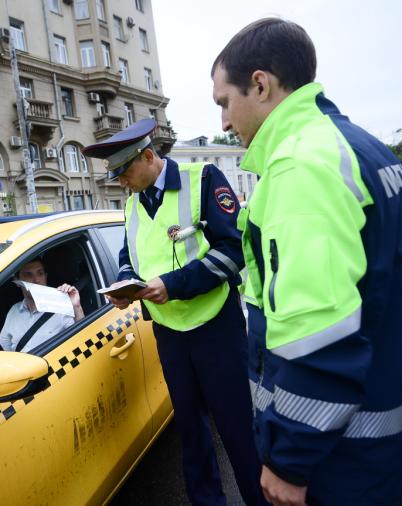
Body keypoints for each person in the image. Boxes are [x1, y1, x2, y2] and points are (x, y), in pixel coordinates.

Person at [211, 18, 402, 506]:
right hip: (377, 436)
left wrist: (290, 459)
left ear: (260, 84)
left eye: (225, 102)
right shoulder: (362, 148)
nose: (224, 122)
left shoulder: (300, 166)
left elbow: (319, 339)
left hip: (334, 456)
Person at [83, 119, 265, 506]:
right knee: (191, 431)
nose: (120, 183)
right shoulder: (133, 203)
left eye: (123, 172)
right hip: (169, 334)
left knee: (236, 429)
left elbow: (233, 253)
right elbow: (128, 256)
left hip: (216, 328)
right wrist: (125, 284)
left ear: (149, 156)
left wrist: (174, 284)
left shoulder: (203, 179)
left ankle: (259, 500)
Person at [0, 258, 84, 353]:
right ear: (18, 281)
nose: (36, 280)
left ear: (45, 277)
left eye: (40, 273)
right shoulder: (14, 310)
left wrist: (76, 307)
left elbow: (83, 341)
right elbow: (2, 349)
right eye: (28, 275)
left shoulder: (61, 306)